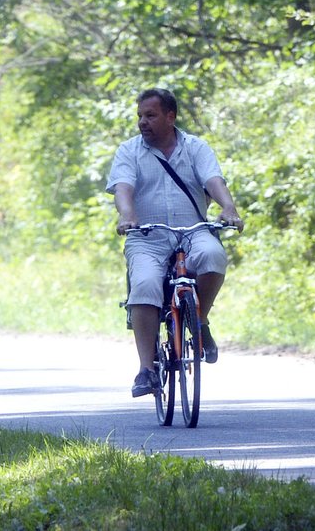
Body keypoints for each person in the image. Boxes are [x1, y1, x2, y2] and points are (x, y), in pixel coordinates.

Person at [106, 88, 244, 398]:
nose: (143, 122)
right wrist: (127, 217)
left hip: (193, 230)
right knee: (144, 284)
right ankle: (146, 369)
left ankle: (200, 320)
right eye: (140, 116)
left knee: (212, 255)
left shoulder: (196, 148)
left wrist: (228, 208)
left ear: (171, 116)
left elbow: (213, 180)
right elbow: (123, 188)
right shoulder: (129, 151)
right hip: (147, 236)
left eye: (150, 115)